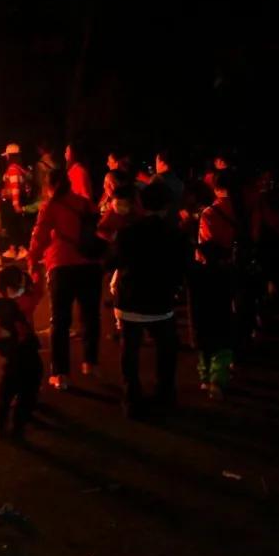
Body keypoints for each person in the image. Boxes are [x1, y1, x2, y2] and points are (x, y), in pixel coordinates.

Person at [109, 182, 189, 418]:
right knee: (166, 347)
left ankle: (131, 397)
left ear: (141, 204)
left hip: (130, 299)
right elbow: (182, 267)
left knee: (130, 349)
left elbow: (113, 261)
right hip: (161, 300)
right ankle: (165, 393)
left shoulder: (128, 233)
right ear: (166, 207)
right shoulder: (175, 234)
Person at [28, 168, 102, 390]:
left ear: (48, 186)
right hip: (90, 265)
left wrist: (32, 261)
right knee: (90, 316)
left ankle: (61, 374)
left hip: (62, 265)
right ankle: (90, 363)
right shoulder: (85, 203)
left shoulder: (50, 207)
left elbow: (39, 236)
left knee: (60, 321)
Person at [0, 267, 44, 439]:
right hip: (29, 357)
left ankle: (2, 421)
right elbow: (39, 289)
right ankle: (19, 423)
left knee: (7, 391)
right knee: (27, 391)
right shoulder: (25, 303)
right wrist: (34, 269)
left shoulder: (0, 311)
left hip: (14, 360)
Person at [191, 171, 238, 400]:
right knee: (227, 323)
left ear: (216, 188)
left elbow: (206, 249)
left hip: (210, 276)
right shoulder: (246, 211)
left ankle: (206, 376)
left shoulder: (210, 213)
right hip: (235, 270)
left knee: (207, 324)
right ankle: (223, 373)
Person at [0, 144, 31, 260]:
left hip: (13, 201)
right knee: (16, 225)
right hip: (18, 200)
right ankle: (13, 249)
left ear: (9, 156)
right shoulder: (21, 169)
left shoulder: (12, 169)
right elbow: (26, 187)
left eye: (7, 156)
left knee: (14, 226)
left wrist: (15, 203)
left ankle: (22, 249)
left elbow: (15, 187)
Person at [151, 151, 185, 220]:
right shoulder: (179, 181)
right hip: (174, 221)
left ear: (162, 163)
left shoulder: (157, 179)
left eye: (156, 162)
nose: (156, 165)